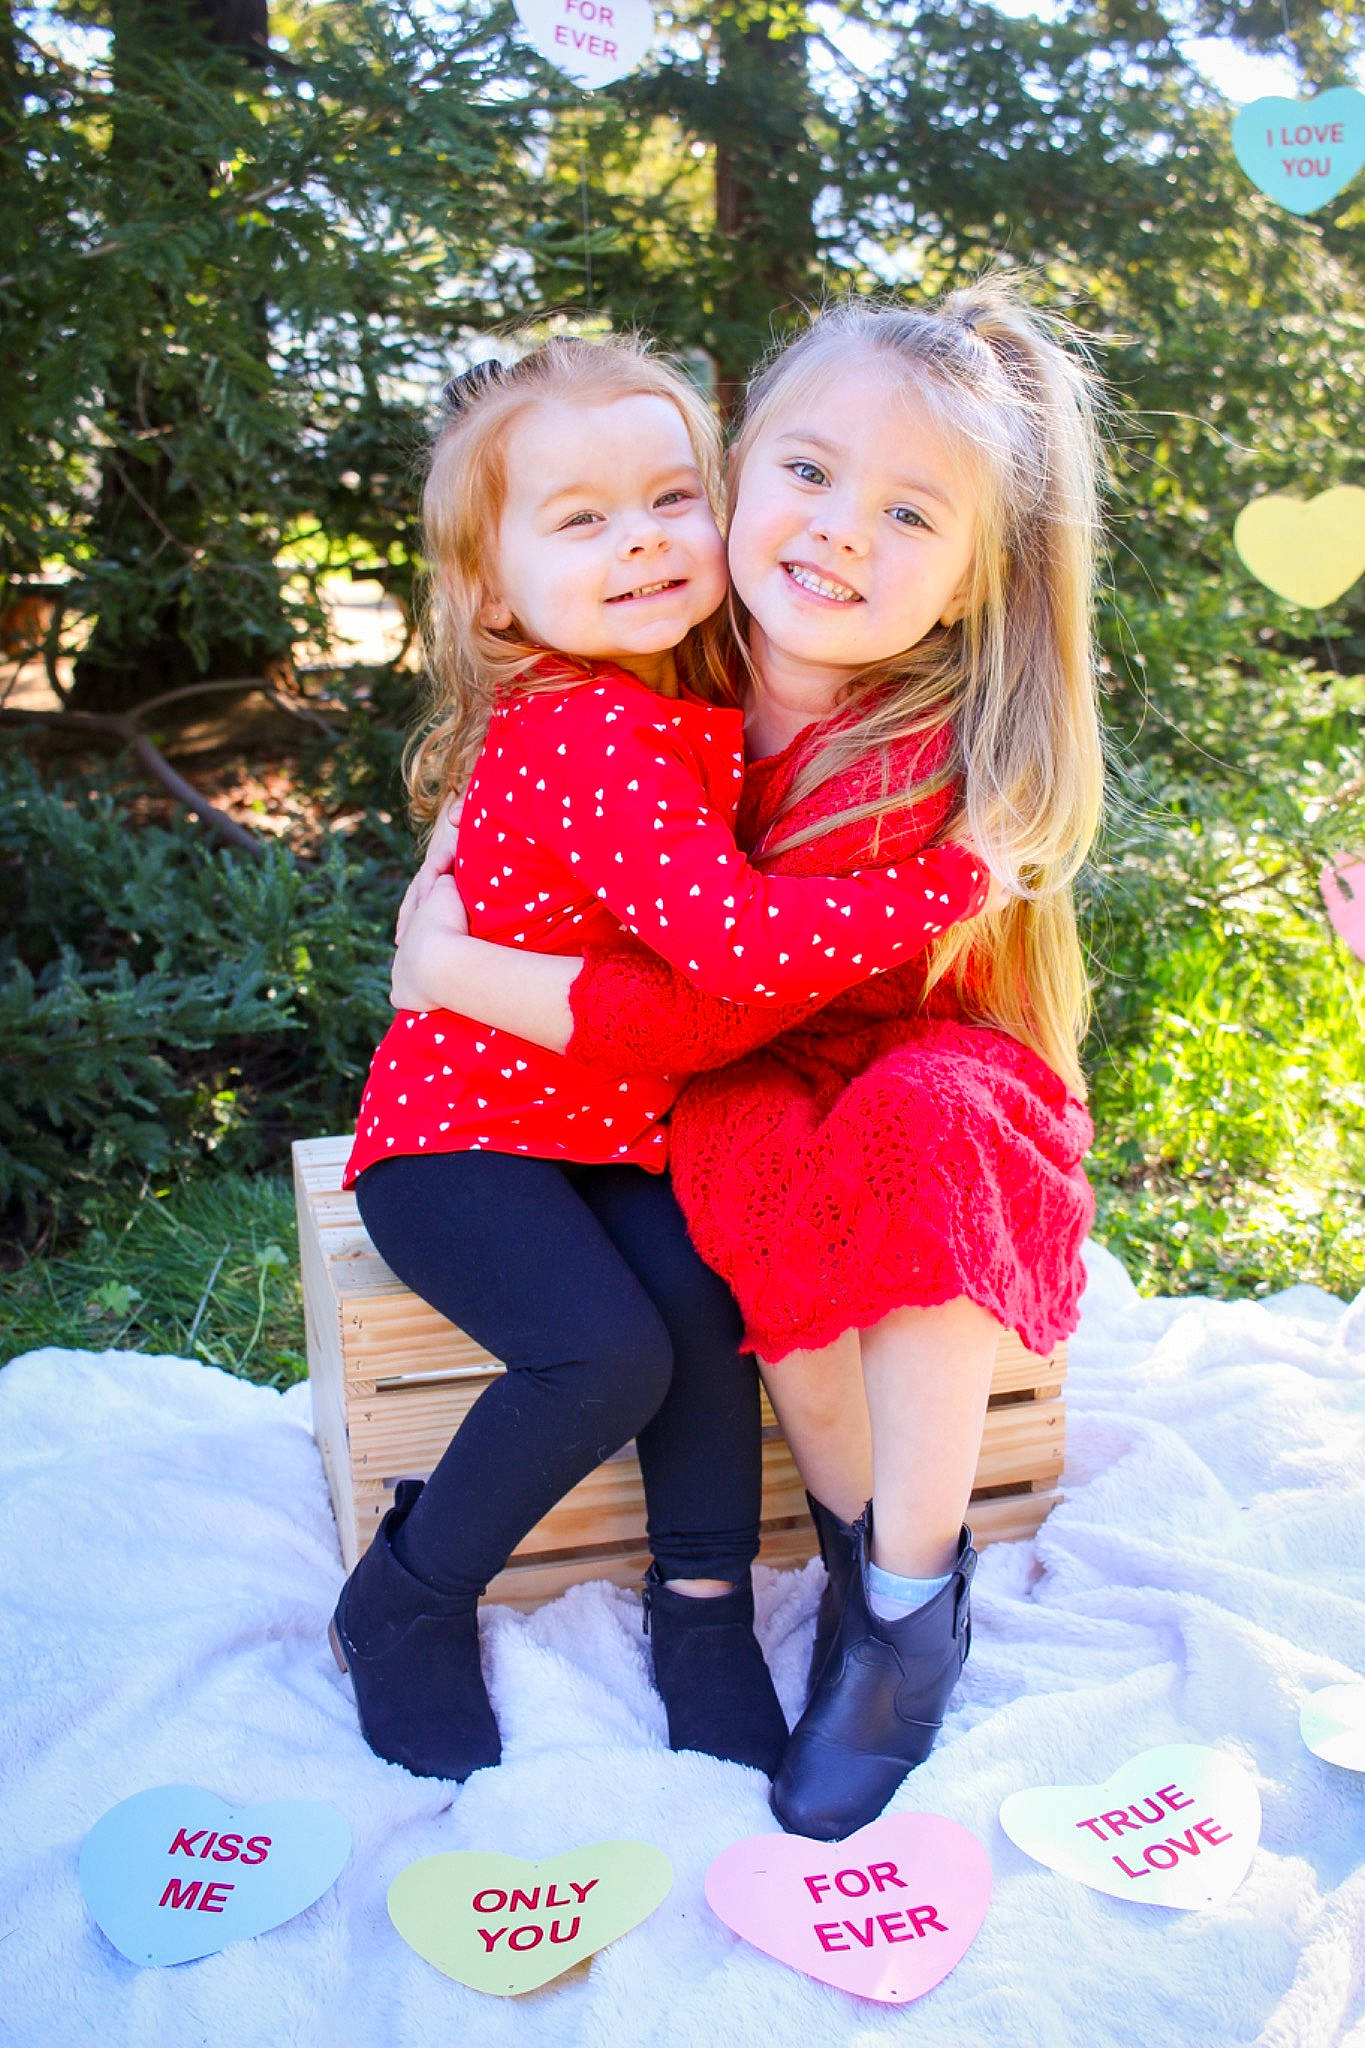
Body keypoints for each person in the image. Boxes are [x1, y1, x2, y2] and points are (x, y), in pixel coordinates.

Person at [390, 282, 1105, 1839]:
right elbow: (556, 861)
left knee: (911, 1128)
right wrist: (453, 935)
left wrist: (459, 973)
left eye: (909, 512)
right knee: (730, 1161)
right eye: (805, 472)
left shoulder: (938, 749)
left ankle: (908, 1612)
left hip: (933, 1061)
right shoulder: (658, 667)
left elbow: (723, 979)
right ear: (740, 475)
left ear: (977, 576)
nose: (841, 531)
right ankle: (848, 1559)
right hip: (731, 1058)